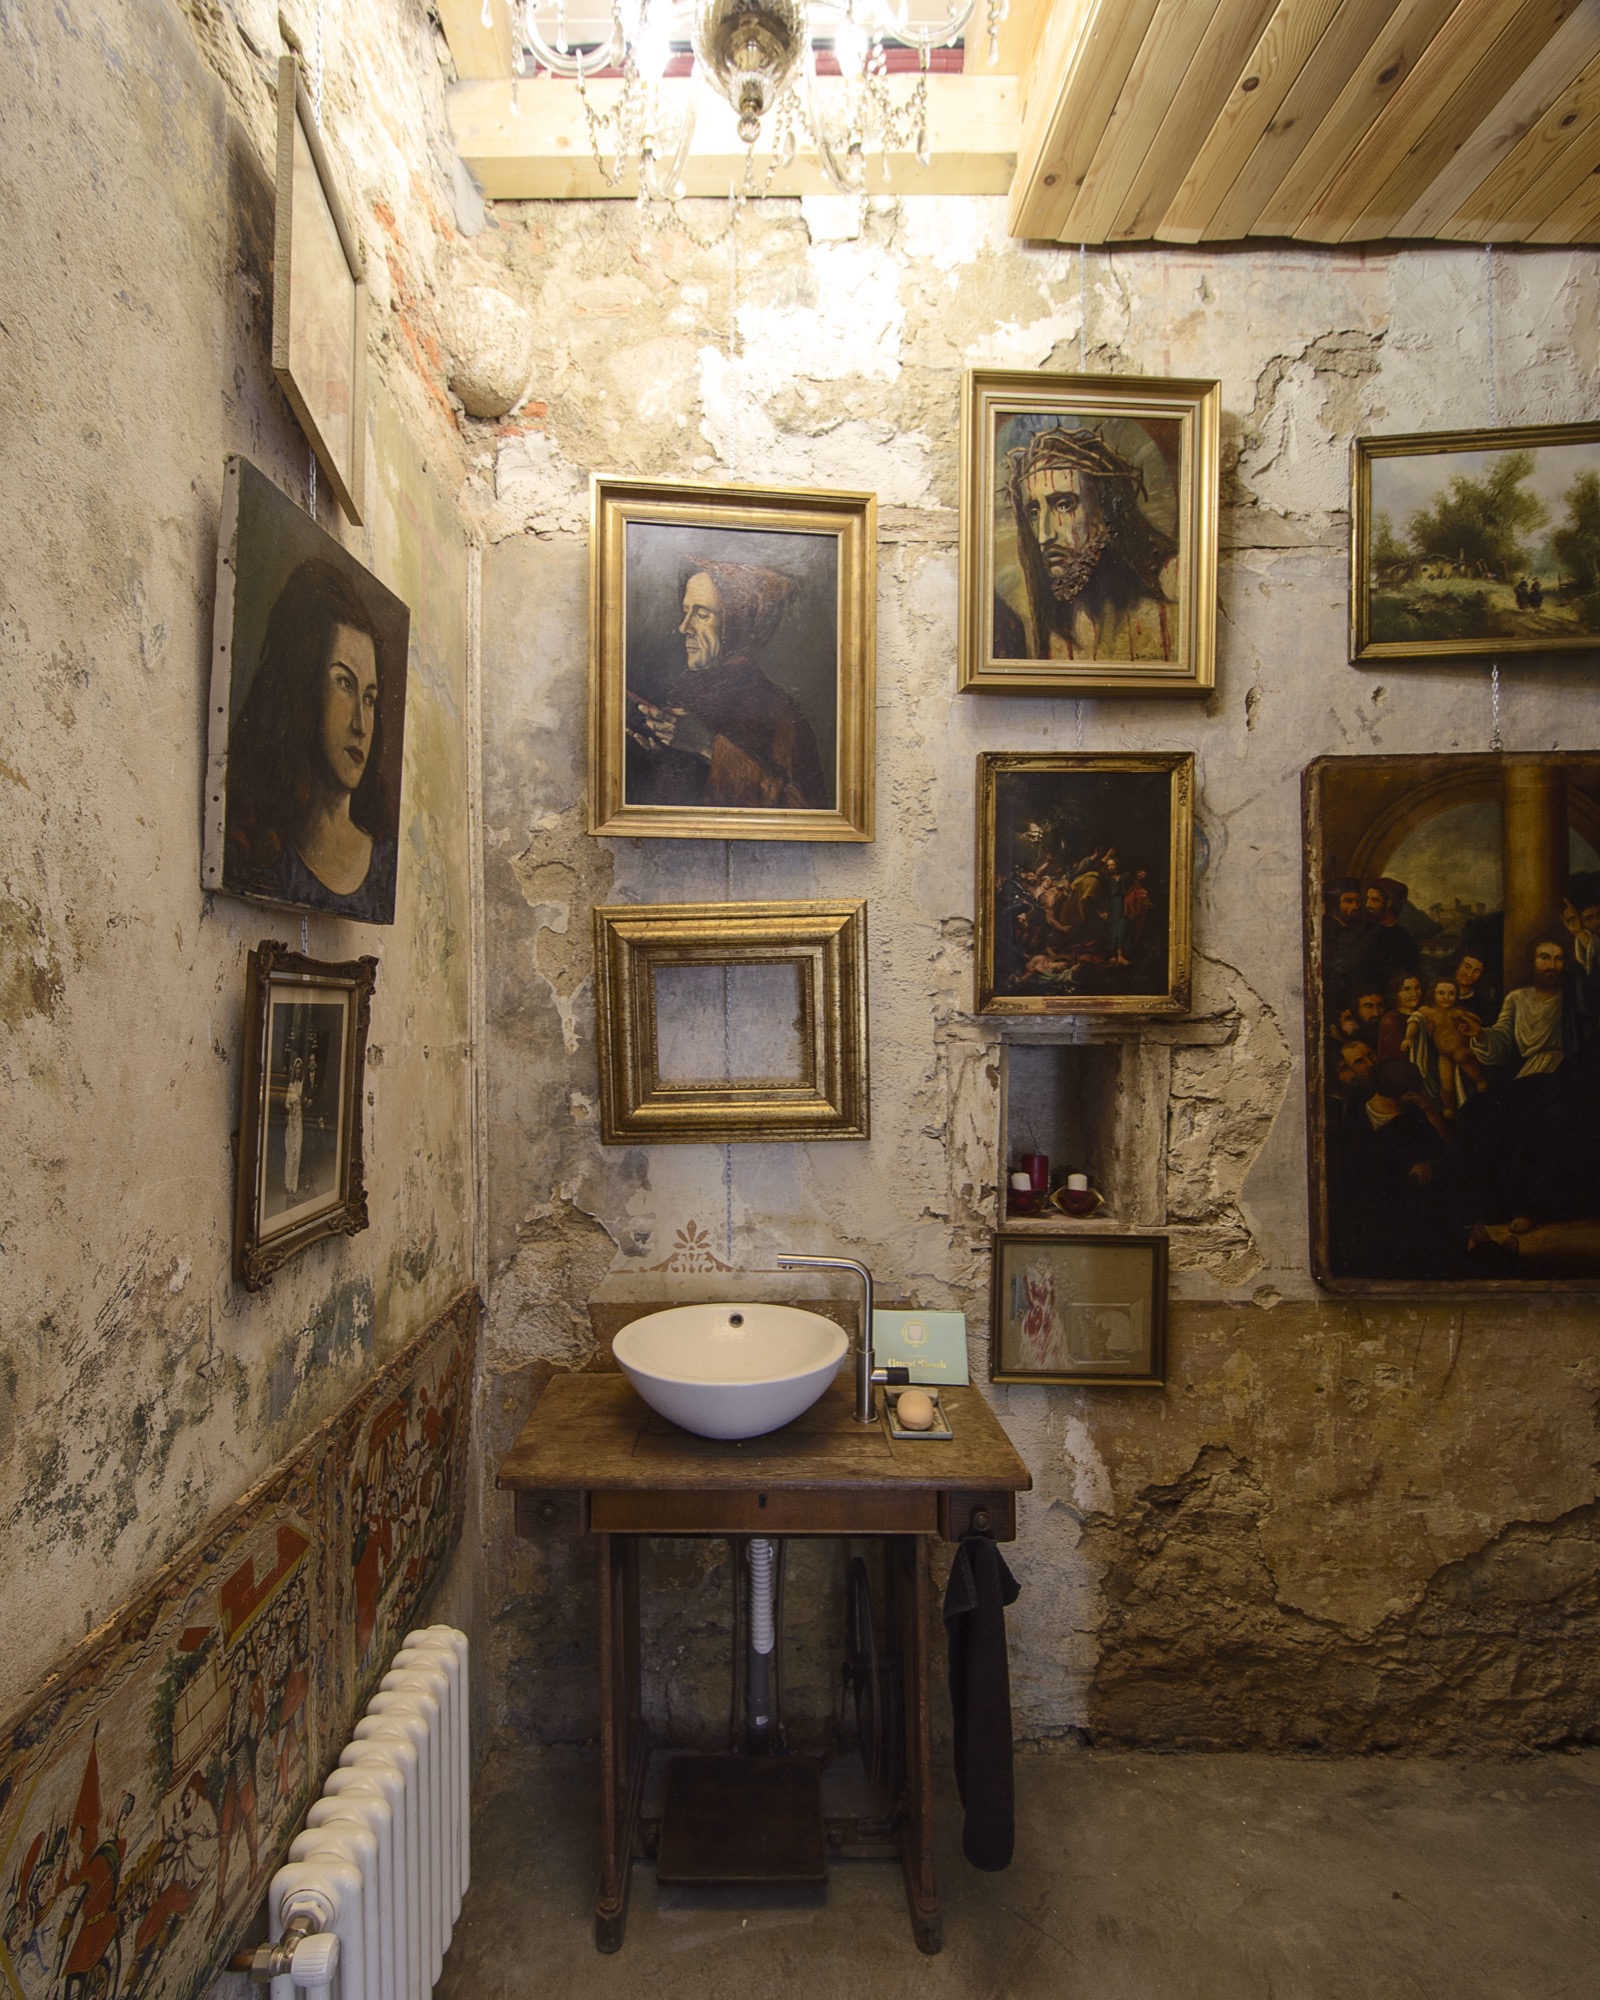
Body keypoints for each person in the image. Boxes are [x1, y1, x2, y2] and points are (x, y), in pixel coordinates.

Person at [225, 559, 396, 922]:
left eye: (369, 698)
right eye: (344, 683)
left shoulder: (384, 864)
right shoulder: (261, 854)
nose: (361, 725)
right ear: (305, 686)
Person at [626, 560, 829, 811]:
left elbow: (800, 809)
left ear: (738, 626)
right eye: (685, 612)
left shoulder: (778, 710)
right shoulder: (687, 691)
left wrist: (706, 745)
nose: (684, 627)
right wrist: (664, 752)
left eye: (702, 615)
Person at [994, 425, 1178, 661]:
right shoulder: (1047, 635)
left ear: (1104, 510)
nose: (1044, 536)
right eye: (1034, 512)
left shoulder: (1169, 602)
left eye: (1063, 505)